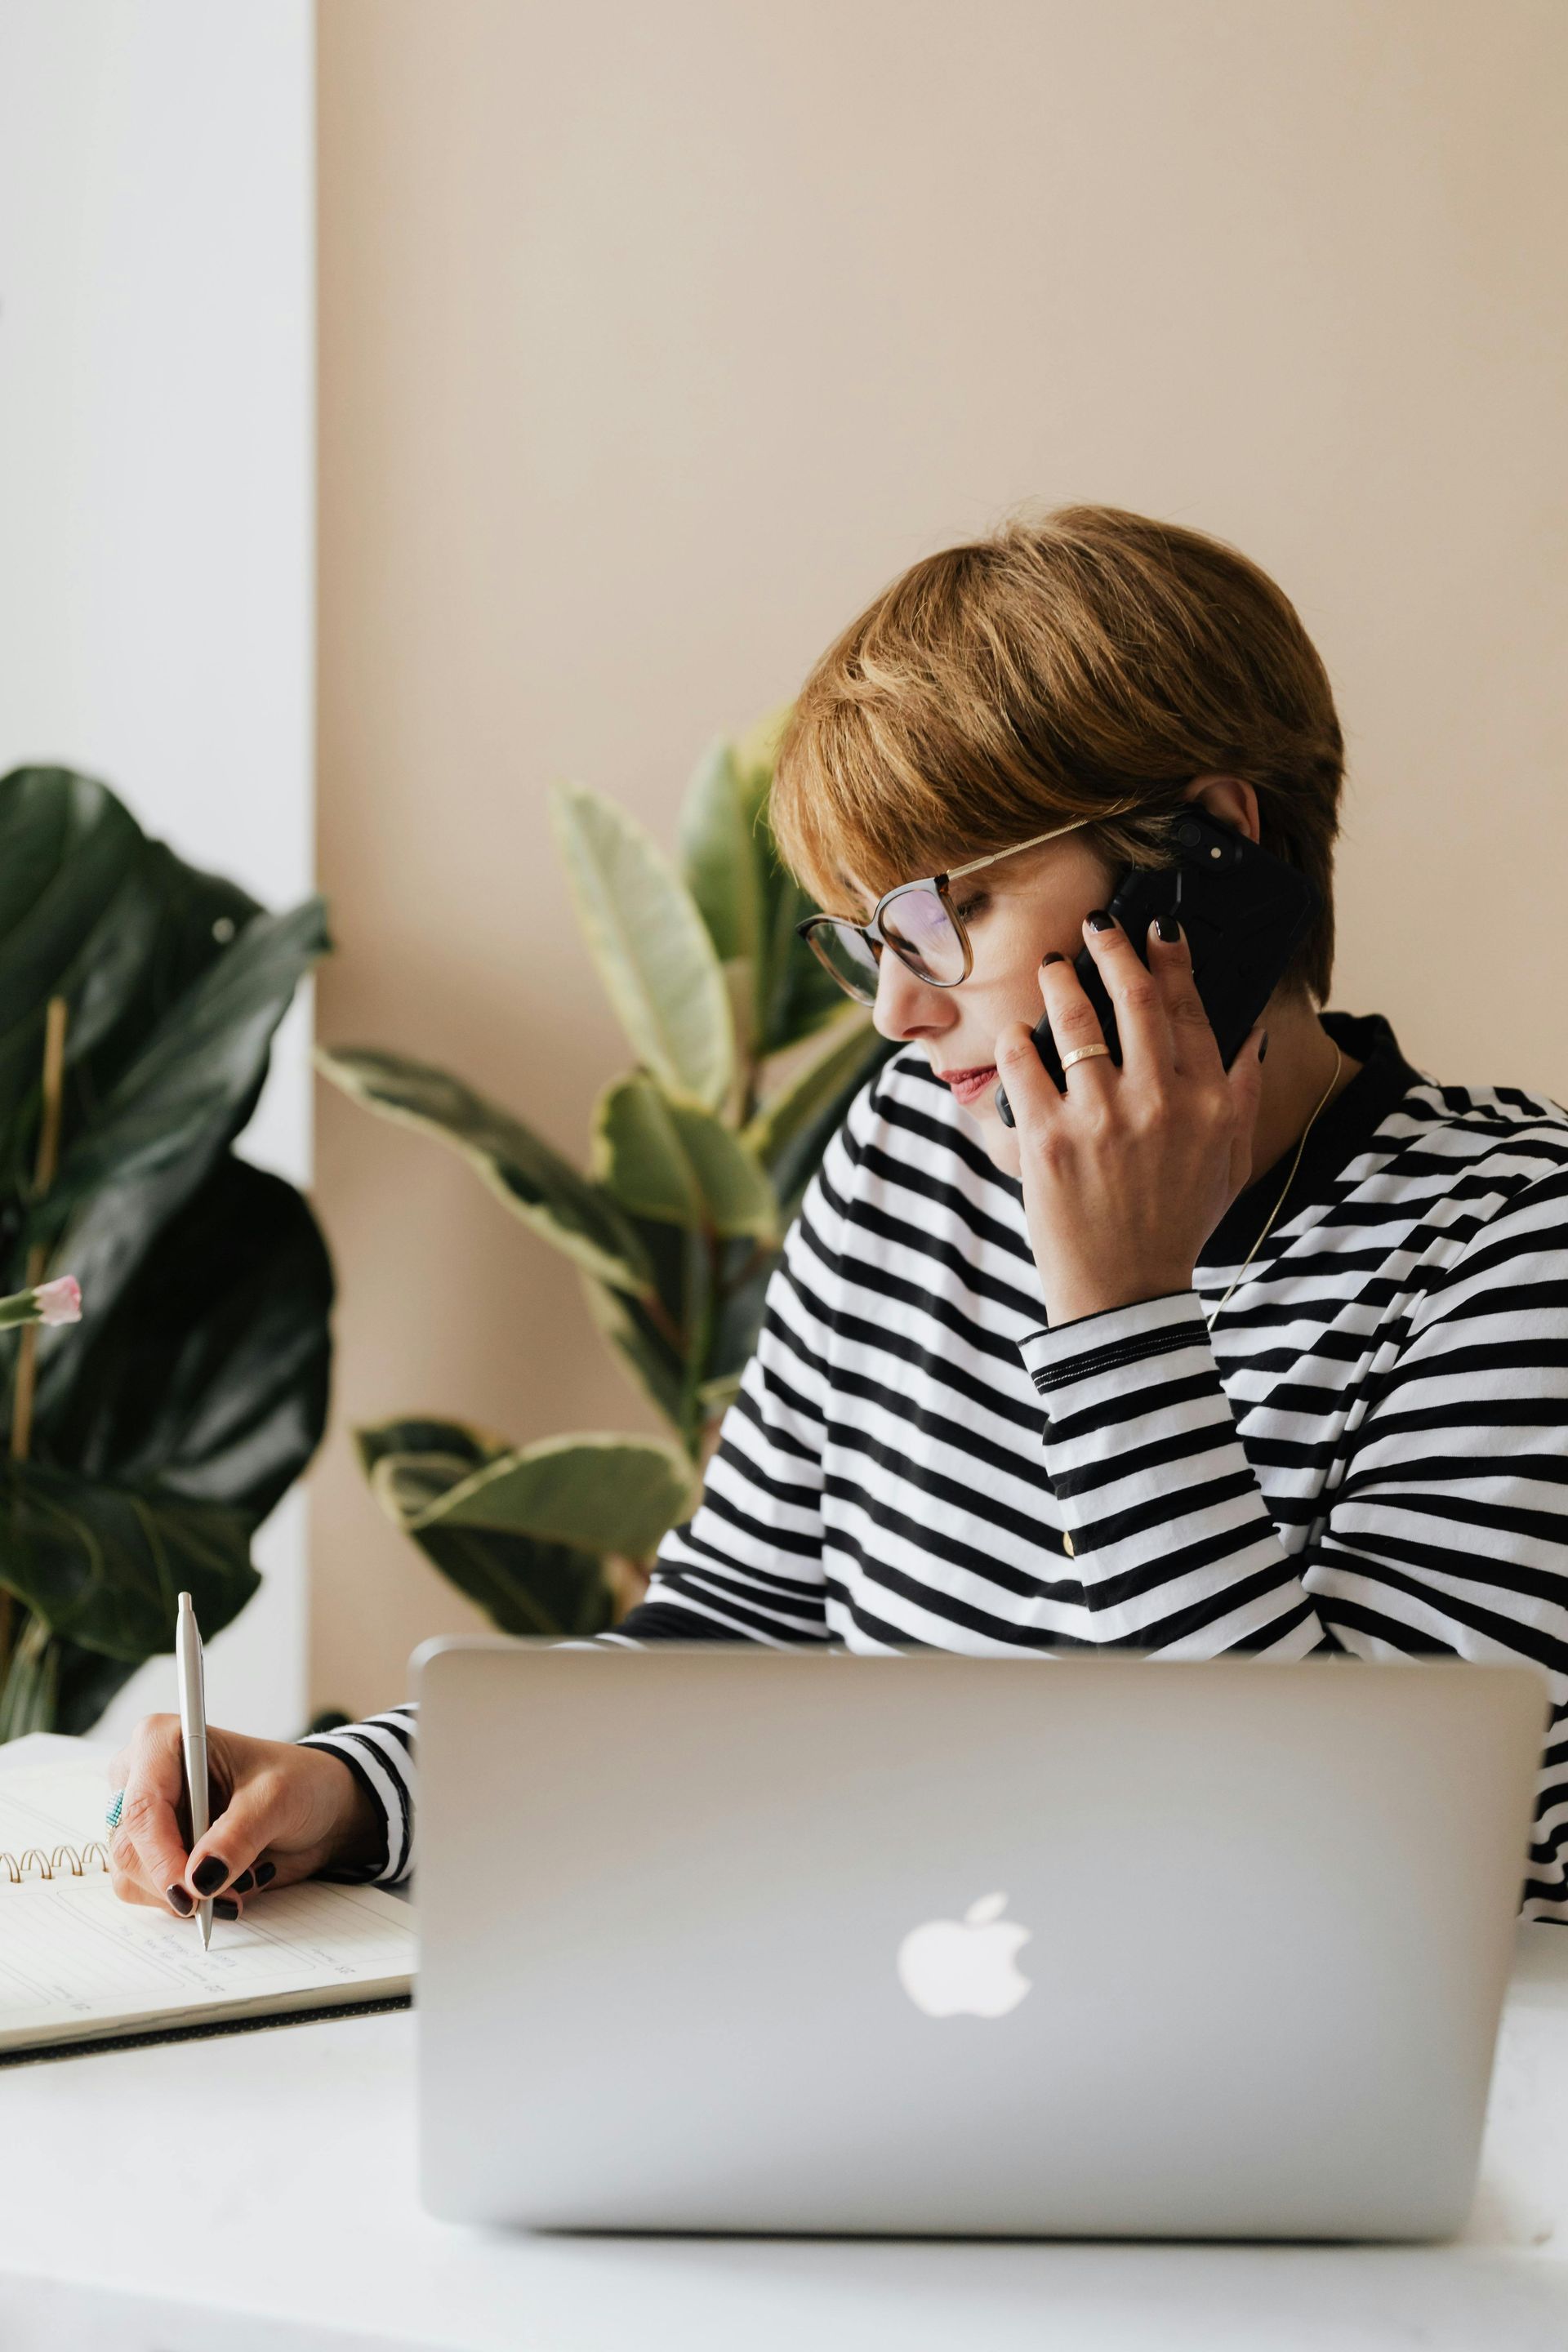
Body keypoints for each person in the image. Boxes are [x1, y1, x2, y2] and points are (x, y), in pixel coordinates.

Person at [105, 506, 1568, 1923]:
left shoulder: (1512, 1249)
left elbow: (1347, 1884)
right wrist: (356, 1791)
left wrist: (1121, 1313)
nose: (895, 1011)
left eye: (950, 913)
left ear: (1206, 858)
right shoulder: (916, 1153)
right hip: (944, 2069)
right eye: (869, 935)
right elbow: (729, 1641)